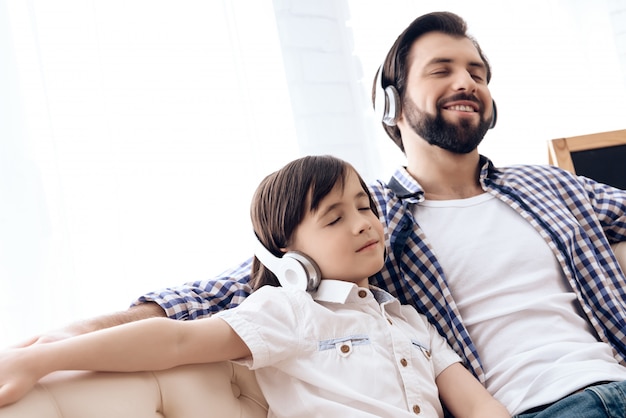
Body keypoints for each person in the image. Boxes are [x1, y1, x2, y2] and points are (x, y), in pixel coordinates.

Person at [14, 10, 626, 418]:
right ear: (390, 104)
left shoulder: (552, 186)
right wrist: (65, 338)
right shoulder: (374, 222)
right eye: (441, 70)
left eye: (478, 72)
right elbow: (224, 293)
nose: (467, 81)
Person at [0, 155, 511, 417]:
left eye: (364, 207)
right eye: (333, 218)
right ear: (288, 258)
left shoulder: (411, 322)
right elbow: (176, 341)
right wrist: (40, 358)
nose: (362, 223)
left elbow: (475, 404)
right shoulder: (290, 311)